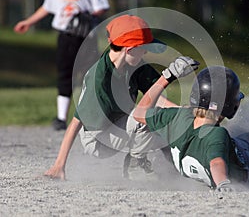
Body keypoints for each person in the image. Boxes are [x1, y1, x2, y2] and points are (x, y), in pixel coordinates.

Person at [133, 57, 249, 192]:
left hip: (228, 150)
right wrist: (223, 184)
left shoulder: (176, 117)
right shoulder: (216, 135)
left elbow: (139, 113)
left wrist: (167, 76)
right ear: (227, 105)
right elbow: (216, 163)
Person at [44, 14, 176, 181]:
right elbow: (75, 123)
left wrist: (184, 112)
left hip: (122, 124)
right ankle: (135, 164)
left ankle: (173, 167)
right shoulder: (99, 79)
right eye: (144, 48)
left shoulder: (134, 64)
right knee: (147, 117)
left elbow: (155, 97)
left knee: (166, 120)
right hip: (97, 139)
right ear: (130, 49)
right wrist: (59, 165)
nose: (145, 53)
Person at [14, 0, 110, 130]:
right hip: (66, 37)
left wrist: (88, 13)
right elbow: (46, 7)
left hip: (86, 37)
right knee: (65, 74)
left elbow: (102, 6)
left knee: (91, 75)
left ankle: (92, 115)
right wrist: (29, 22)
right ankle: (61, 118)